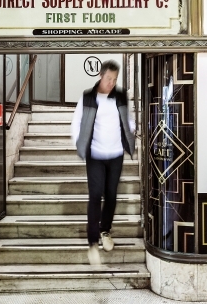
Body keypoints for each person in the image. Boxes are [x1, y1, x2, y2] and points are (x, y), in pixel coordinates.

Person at [71, 60, 136, 265]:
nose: (111, 83)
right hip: (95, 154)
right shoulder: (88, 97)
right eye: (109, 78)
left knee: (111, 196)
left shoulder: (121, 96)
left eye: (115, 79)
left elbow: (129, 119)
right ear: (100, 75)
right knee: (95, 195)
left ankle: (105, 231)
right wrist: (80, 144)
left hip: (116, 154)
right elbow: (77, 122)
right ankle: (92, 243)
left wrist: (130, 131)